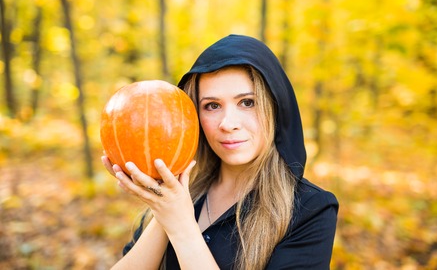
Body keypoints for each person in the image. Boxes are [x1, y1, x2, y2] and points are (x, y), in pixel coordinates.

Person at [101, 34, 339, 269]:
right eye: (212, 106)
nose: (228, 123)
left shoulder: (311, 210)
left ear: (275, 106)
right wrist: (164, 207)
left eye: (247, 102)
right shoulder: (179, 193)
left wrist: (181, 225)